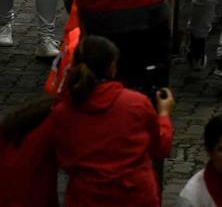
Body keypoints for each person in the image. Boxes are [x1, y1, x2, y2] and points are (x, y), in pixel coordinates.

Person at [51, 36, 174, 206]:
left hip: (85, 198)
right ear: (111, 68)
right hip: (135, 197)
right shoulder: (135, 103)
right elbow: (161, 147)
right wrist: (164, 114)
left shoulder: (62, 112)